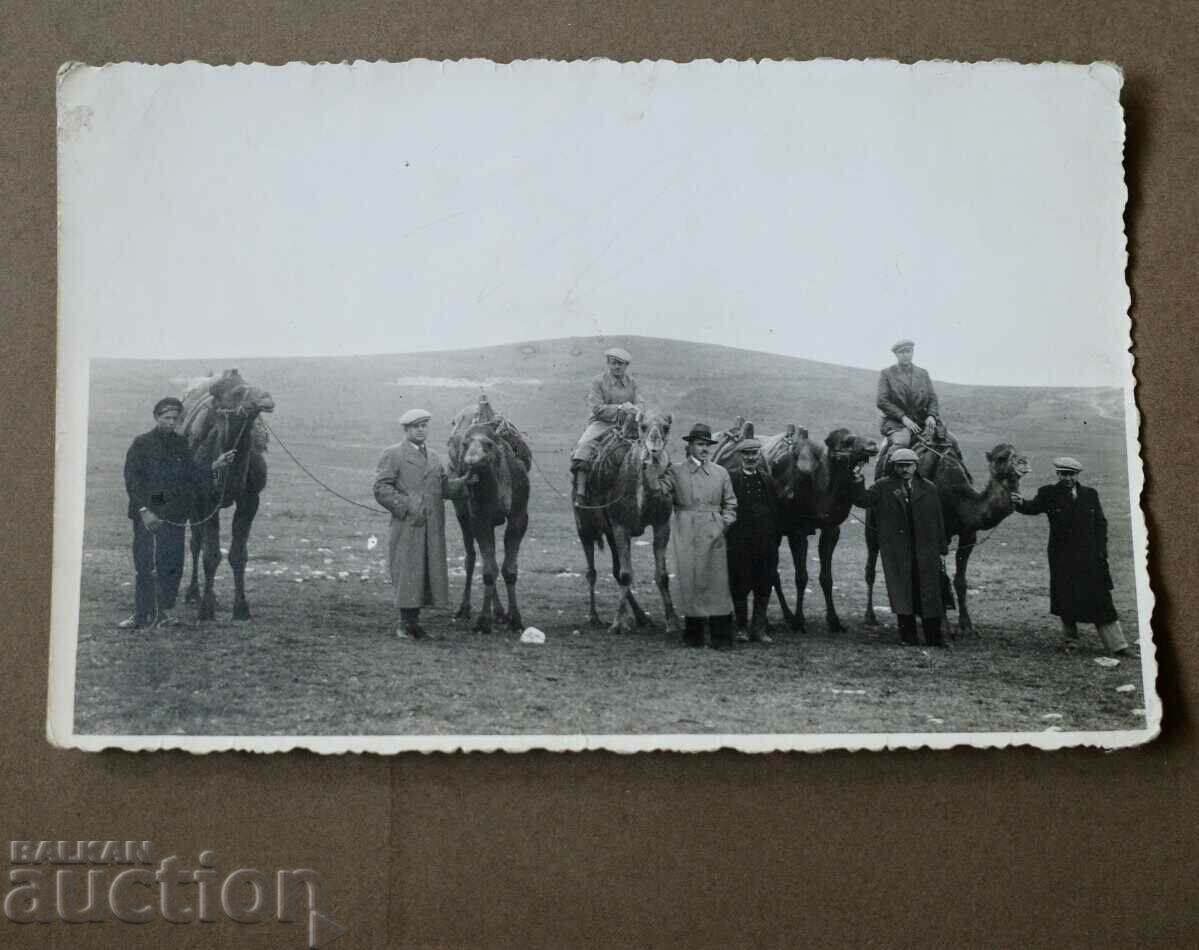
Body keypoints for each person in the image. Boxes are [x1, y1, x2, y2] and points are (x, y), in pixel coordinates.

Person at [121, 396, 234, 629]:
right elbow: (132, 481)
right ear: (156, 417)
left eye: (175, 418)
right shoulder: (141, 444)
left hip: (174, 514)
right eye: (166, 418)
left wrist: (215, 465)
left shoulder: (181, 444)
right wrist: (145, 510)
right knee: (145, 565)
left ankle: (163, 613)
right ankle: (141, 615)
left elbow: (190, 474)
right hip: (148, 514)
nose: (171, 422)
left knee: (171, 565)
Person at [1011, 457, 1133, 656]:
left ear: (1077, 475)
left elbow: (1100, 524)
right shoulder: (1048, 493)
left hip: (1091, 556)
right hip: (1062, 556)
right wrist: (1019, 502)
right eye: (1063, 473)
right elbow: (1032, 507)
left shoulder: (1090, 494)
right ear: (1058, 474)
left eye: (1071, 474)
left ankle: (1118, 645)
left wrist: (1101, 551)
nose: (1067, 478)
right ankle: (1071, 641)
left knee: (1101, 597)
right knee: (1066, 597)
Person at [373, 408, 464, 640]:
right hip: (408, 525)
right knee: (407, 570)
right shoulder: (393, 454)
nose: (421, 430)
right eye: (416, 426)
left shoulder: (433, 457)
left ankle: (415, 624)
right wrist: (406, 505)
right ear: (406, 430)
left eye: (424, 425)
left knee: (426, 571)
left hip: (432, 526)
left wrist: (466, 482)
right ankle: (405, 624)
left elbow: (444, 488)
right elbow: (381, 488)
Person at [851, 447, 949, 647]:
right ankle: (908, 637)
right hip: (897, 551)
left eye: (908, 465)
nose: (905, 470)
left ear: (916, 466)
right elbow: (863, 500)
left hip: (926, 551)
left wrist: (942, 549)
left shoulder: (929, 488)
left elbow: (938, 519)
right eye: (900, 466)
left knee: (931, 593)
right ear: (894, 467)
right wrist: (857, 480)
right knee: (903, 593)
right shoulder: (882, 487)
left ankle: (934, 638)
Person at [653, 423, 739, 649]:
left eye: (707, 445)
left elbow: (730, 503)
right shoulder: (676, 471)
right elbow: (659, 489)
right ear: (689, 446)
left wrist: (724, 523)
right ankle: (694, 636)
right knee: (691, 579)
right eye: (699, 444)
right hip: (686, 529)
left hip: (714, 528)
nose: (704, 449)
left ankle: (722, 637)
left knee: (717, 580)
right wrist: (649, 467)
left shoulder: (720, 473)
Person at [724, 438, 780, 643]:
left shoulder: (767, 480)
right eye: (746, 454)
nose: (750, 458)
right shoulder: (732, 479)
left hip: (765, 543)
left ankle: (758, 629)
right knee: (739, 585)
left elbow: (776, 509)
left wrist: (773, 538)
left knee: (764, 584)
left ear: (759, 456)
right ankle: (740, 628)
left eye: (754, 454)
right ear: (740, 456)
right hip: (740, 543)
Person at [570, 347, 642, 502]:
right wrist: (620, 408)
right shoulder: (598, 381)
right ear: (608, 363)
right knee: (583, 447)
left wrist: (635, 409)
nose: (617, 367)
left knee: (647, 451)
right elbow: (596, 407)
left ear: (626, 366)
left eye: (621, 364)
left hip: (627, 425)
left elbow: (640, 402)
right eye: (614, 363)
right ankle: (581, 492)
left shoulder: (632, 382)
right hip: (602, 423)